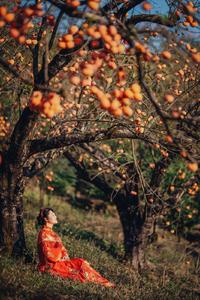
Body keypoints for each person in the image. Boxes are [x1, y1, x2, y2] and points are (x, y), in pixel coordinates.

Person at [36, 207, 115, 288]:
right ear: (46, 219)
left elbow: (63, 252)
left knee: (81, 262)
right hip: (50, 266)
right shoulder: (43, 234)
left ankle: (102, 281)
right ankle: (101, 283)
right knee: (77, 273)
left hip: (60, 262)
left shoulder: (53, 234)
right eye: (52, 215)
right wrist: (60, 251)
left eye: (54, 214)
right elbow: (50, 256)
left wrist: (63, 255)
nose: (55, 216)